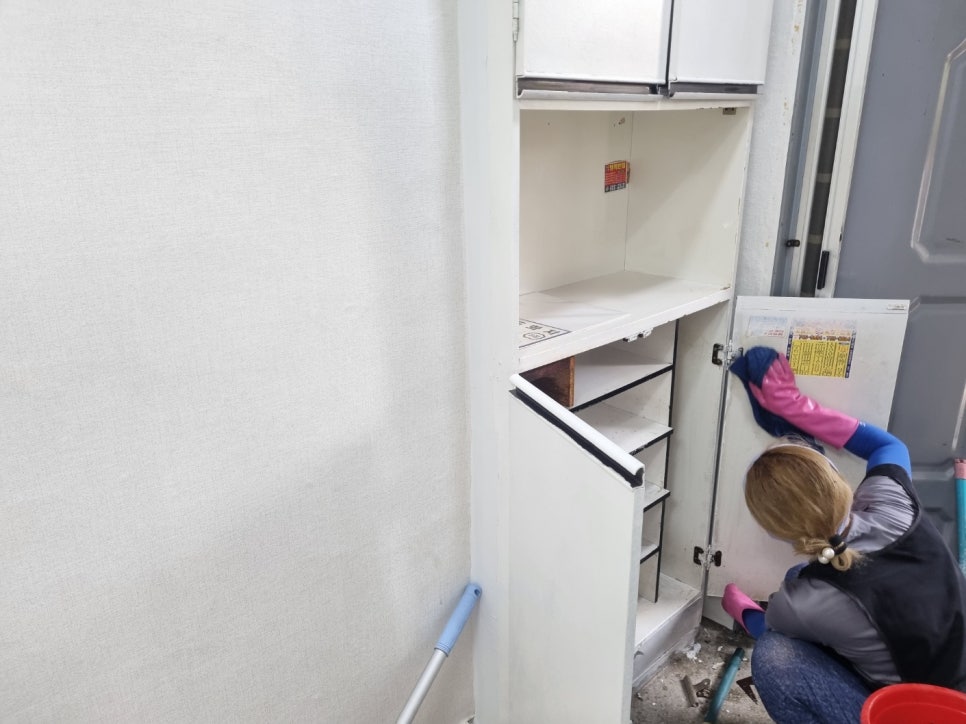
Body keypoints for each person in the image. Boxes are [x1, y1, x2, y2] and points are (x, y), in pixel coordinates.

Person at [723, 347, 966, 724]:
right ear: (837, 480)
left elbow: (765, 628)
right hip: (955, 687)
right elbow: (888, 446)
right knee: (798, 579)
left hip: (919, 714)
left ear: (774, 531)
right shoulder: (893, 503)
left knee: (774, 656)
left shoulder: (804, 603)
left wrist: (740, 608)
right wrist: (795, 407)